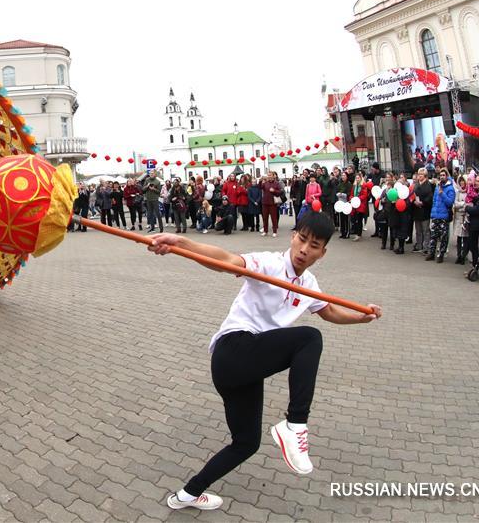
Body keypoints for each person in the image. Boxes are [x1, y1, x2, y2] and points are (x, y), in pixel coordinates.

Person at [149, 212, 381, 512]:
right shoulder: (269, 263)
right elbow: (227, 261)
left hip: (247, 369)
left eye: (314, 245)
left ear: (322, 253)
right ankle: (295, 425)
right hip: (232, 349)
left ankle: (188, 494)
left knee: (246, 443)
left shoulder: (309, 283)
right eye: (301, 239)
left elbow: (331, 313)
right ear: (292, 236)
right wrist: (180, 242)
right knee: (309, 339)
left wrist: (363, 318)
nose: (304, 250)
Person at [425, 168, 455, 263]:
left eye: (443, 175)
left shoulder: (450, 188)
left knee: (443, 237)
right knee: (433, 236)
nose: (442, 177)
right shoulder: (437, 187)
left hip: (444, 216)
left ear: (447, 176)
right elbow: (434, 200)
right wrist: (432, 212)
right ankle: (431, 253)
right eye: (441, 175)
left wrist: (443, 194)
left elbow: (450, 202)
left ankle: (441, 254)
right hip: (435, 215)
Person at [411, 169, 433, 252]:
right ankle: (419, 245)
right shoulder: (415, 185)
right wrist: (414, 202)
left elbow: (430, 197)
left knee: (426, 230)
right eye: (419, 174)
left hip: (425, 210)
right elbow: (412, 194)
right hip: (416, 209)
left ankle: (426, 247)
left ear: (425, 176)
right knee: (418, 230)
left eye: (421, 174)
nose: (419, 176)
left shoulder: (429, 185)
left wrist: (422, 202)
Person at [260, 171, 283, 238]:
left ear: (273, 176)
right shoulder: (265, 183)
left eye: (270, 175)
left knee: (274, 218)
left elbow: (280, 192)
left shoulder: (276, 183)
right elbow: (260, 187)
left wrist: (274, 191)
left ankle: (274, 231)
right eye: (268, 175)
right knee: (265, 218)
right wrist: (261, 181)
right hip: (265, 202)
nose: (269, 176)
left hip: (273, 203)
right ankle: (265, 231)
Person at [452, 175, 469, 265]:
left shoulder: (469, 191)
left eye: (463, 181)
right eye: (461, 181)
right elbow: (455, 203)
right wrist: (463, 204)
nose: (462, 183)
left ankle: (464, 255)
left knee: (465, 238)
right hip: (458, 216)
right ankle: (459, 255)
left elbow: (469, 203)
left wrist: (462, 204)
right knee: (459, 237)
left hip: (466, 216)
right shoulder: (457, 192)